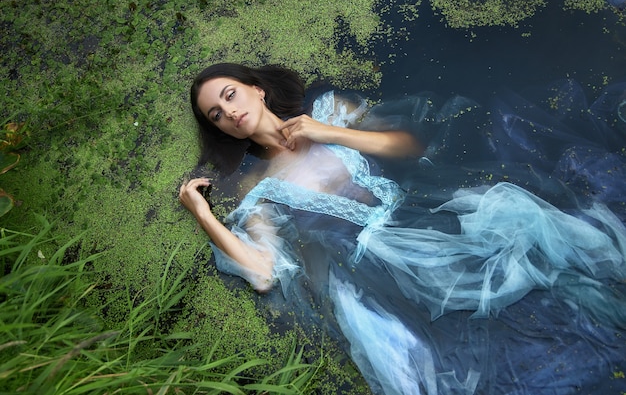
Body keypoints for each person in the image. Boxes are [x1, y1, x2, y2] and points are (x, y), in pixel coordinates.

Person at [180, 63, 626, 395]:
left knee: (546, 273)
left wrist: (329, 133)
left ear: (256, 91)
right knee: (465, 358)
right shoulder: (257, 190)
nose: (229, 111)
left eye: (231, 95)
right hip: (375, 270)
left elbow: (408, 146)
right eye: (216, 114)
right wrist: (203, 213)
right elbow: (263, 272)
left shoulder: (330, 110)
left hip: (424, 212)